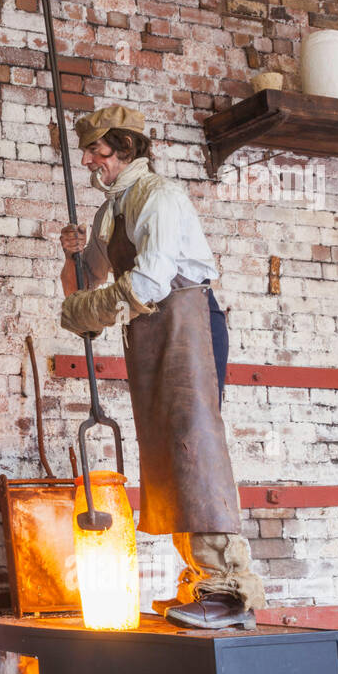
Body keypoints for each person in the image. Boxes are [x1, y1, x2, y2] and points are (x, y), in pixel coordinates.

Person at [57, 105, 266, 630]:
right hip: (150, 330)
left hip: (187, 318)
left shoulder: (159, 197)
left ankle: (229, 592)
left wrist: (89, 311)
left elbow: (149, 284)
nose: (87, 159)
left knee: (194, 446)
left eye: (96, 150)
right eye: (86, 151)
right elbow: (83, 286)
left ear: (124, 149)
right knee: (168, 453)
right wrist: (75, 258)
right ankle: (199, 581)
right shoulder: (111, 212)